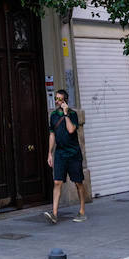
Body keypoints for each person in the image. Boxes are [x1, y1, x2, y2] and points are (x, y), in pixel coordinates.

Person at [45, 88, 86, 224]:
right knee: (57, 182)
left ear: (65, 101)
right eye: (56, 99)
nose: (57, 101)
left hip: (73, 153)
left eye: (59, 99)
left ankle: (82, 211)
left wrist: (66, 113)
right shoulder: (53, 116)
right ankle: (54, 214)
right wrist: (50, 153)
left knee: (78, 182)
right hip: (60, 153)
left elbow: (70, 129)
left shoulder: (73, 114)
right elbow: (52, 134)